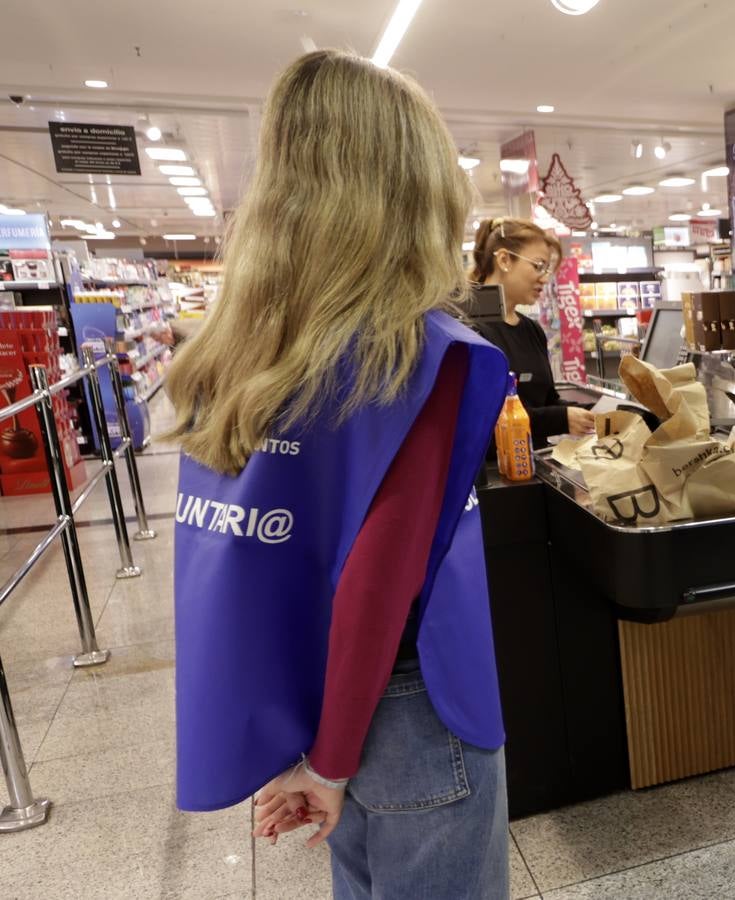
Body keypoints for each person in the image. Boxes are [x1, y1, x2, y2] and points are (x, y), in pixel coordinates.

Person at [166, 50, 511, 899]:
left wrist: (308, 749)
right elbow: (379, 579)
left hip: (307, 693)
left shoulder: (236, 353)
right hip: (407, 710)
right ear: (412, 185)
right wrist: (332, 761)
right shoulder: (421, 354)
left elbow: (229, 556)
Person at [470, 217, 595, 446]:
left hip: (535, 465)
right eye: (538, 266)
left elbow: (546, 400)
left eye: (547, 269)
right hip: (496, 474)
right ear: (505, 260)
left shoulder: (531, 329)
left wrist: (594, 413)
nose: (545, 278)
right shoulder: (472, 331)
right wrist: (561, 419)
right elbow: (483, 418)